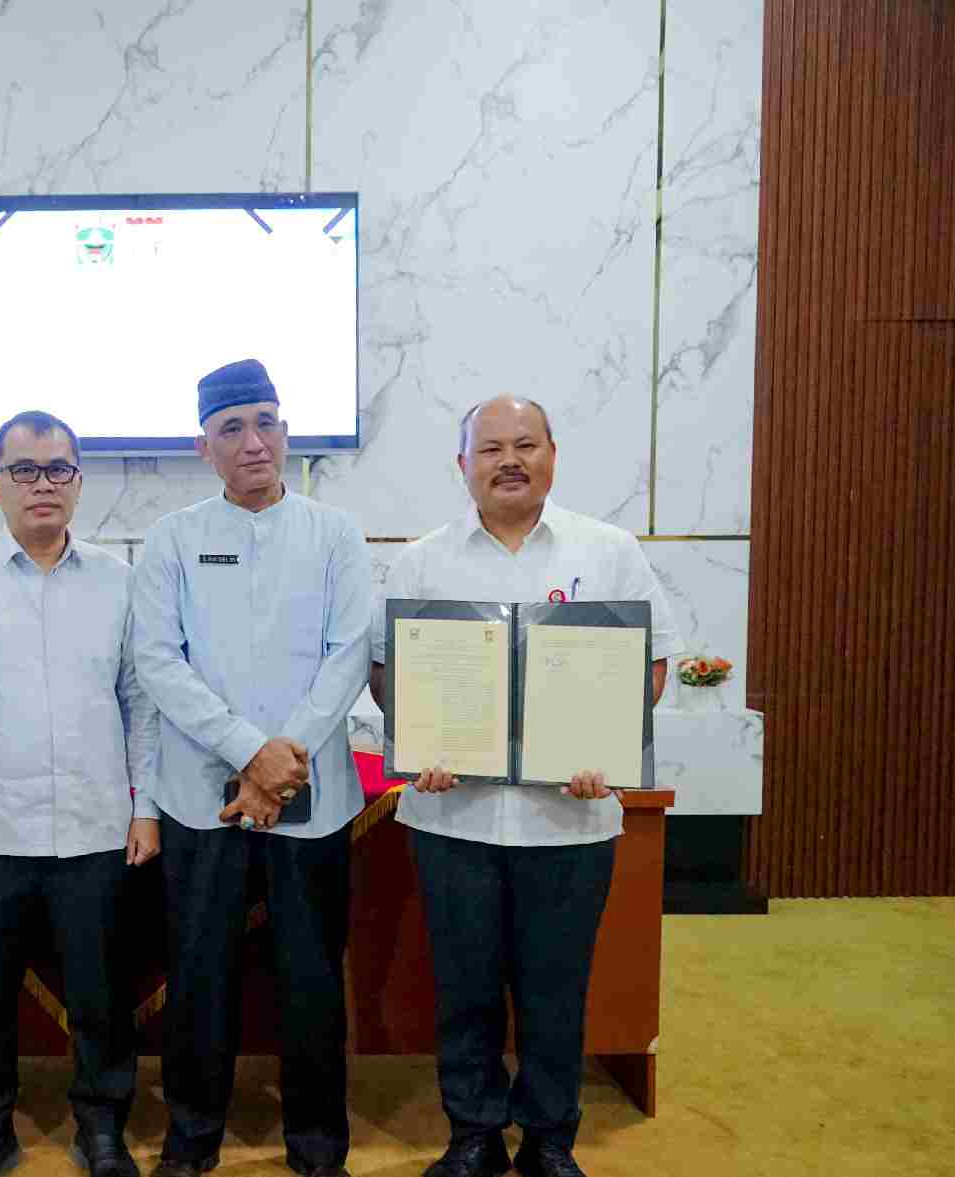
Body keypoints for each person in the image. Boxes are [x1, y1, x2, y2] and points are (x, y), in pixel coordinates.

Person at [370, 397, 681, 1177]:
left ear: (551, 454)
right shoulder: (420, 560)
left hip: (569, 820)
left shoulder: (608, 551)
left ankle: (548, 1139)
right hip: (453, 818)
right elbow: (384, 672)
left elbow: (649, 666)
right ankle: (472, 1134)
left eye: (524, 444)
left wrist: (604, 744)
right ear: (462, 465)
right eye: (490, 448)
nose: (508, 460)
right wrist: (422, 742)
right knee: (464, 987)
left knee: (555, 989)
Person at [132, 359, 371, 1177]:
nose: (252, 441)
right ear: (203, 447)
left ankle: (318, 1145)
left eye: (265, 422)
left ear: (286, 433)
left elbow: (348, 654)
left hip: (313, 796)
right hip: (202, 798)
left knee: (312, 977)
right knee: (198, 975)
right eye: (231, 428)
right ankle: (191, 1137)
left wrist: (281, 759)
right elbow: (158, 661)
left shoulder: (334, 534)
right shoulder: (172, 539)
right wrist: (248, 752)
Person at [0, 410, 160, 1177]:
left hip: (95, 828)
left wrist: (145, 806)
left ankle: (102, 1126)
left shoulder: (119, 580)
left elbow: (141, 703)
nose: (41, 484)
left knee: (101, 995)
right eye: (24, 469)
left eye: (57, 469)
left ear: (78, 482)